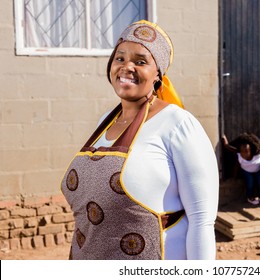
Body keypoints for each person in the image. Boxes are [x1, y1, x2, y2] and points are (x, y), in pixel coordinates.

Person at [60, 20, 219, 260]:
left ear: (158, 74)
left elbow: (202, 220)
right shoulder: (105, 121)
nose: (126, 67)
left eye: (141, 61)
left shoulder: (178, 124)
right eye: (120, 58)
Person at [222, 133, 260, 205]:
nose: (244, 153)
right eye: (242, 151)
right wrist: (234, 177)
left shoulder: (258, 153)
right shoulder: (239, 155)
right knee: (250, 183)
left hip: (259, 169)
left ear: (251, 149)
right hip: (247, 171)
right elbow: (236, 166)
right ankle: (250, 197)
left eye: (246, 151)